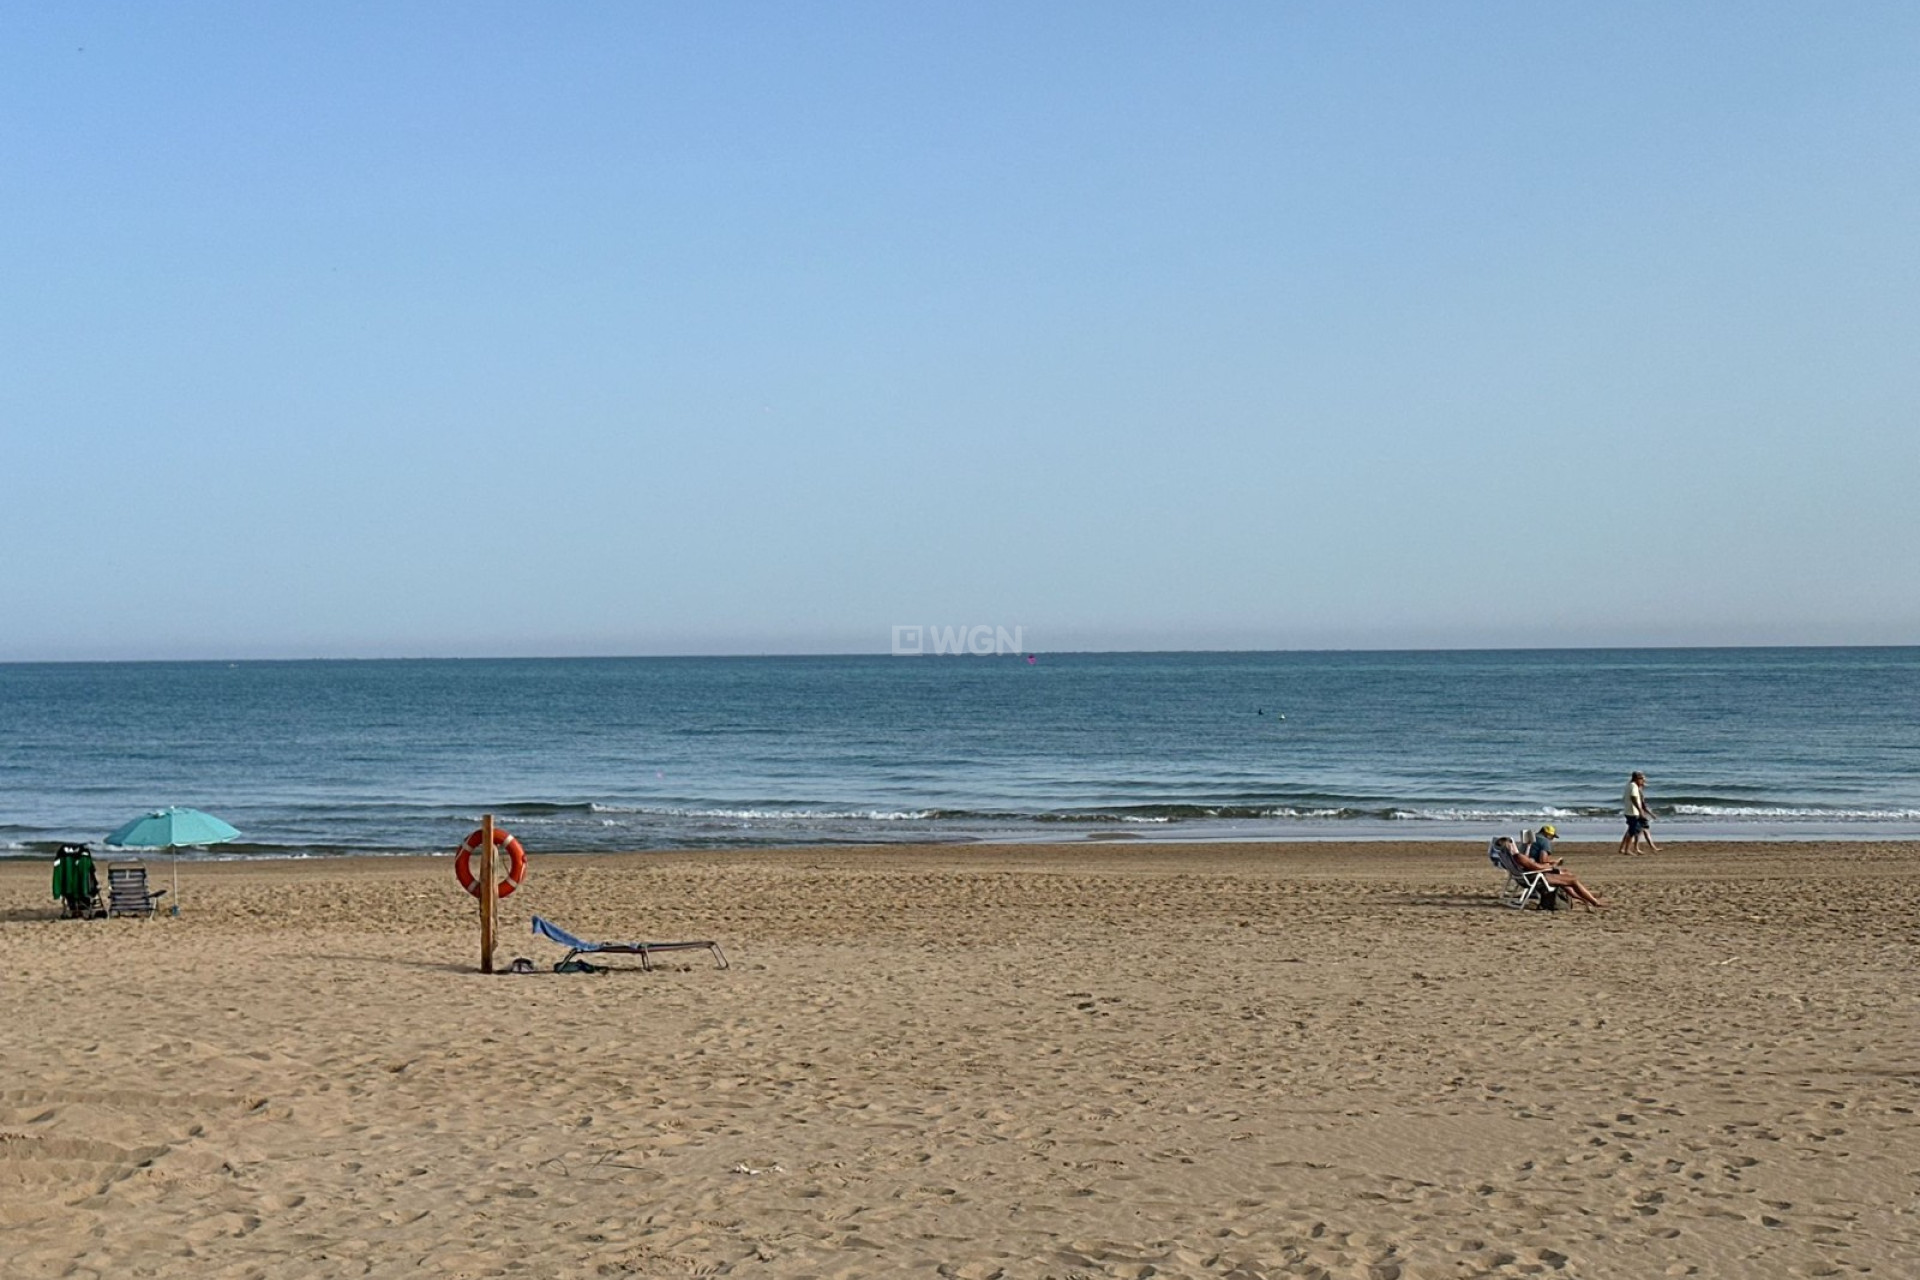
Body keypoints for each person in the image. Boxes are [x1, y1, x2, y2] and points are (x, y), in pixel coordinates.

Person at [1501, 832, 1608, 911]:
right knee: (1572, 880)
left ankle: (1587, 898)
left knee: (1566, 879)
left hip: (1526, 878)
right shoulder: (1519, 857)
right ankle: (1593, 901)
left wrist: (1528, 847)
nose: (1515, 845)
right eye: (1512, 844)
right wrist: (1551, 866)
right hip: (1536, 879)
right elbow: (1536, 867)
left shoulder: (1510, 857)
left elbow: (1529, 864)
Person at [1618, 771, 1659, 856]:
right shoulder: (1633, 786)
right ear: (1637, 778)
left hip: (1629, 811)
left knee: (1631, 830)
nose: (1643, 781)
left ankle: (1624, 848)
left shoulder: (1629, 785)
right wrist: (1640, 810)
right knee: (1632, 831)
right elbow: (1633, 798)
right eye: (1642, 779)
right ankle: (1627, 850)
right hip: (1633, 812)